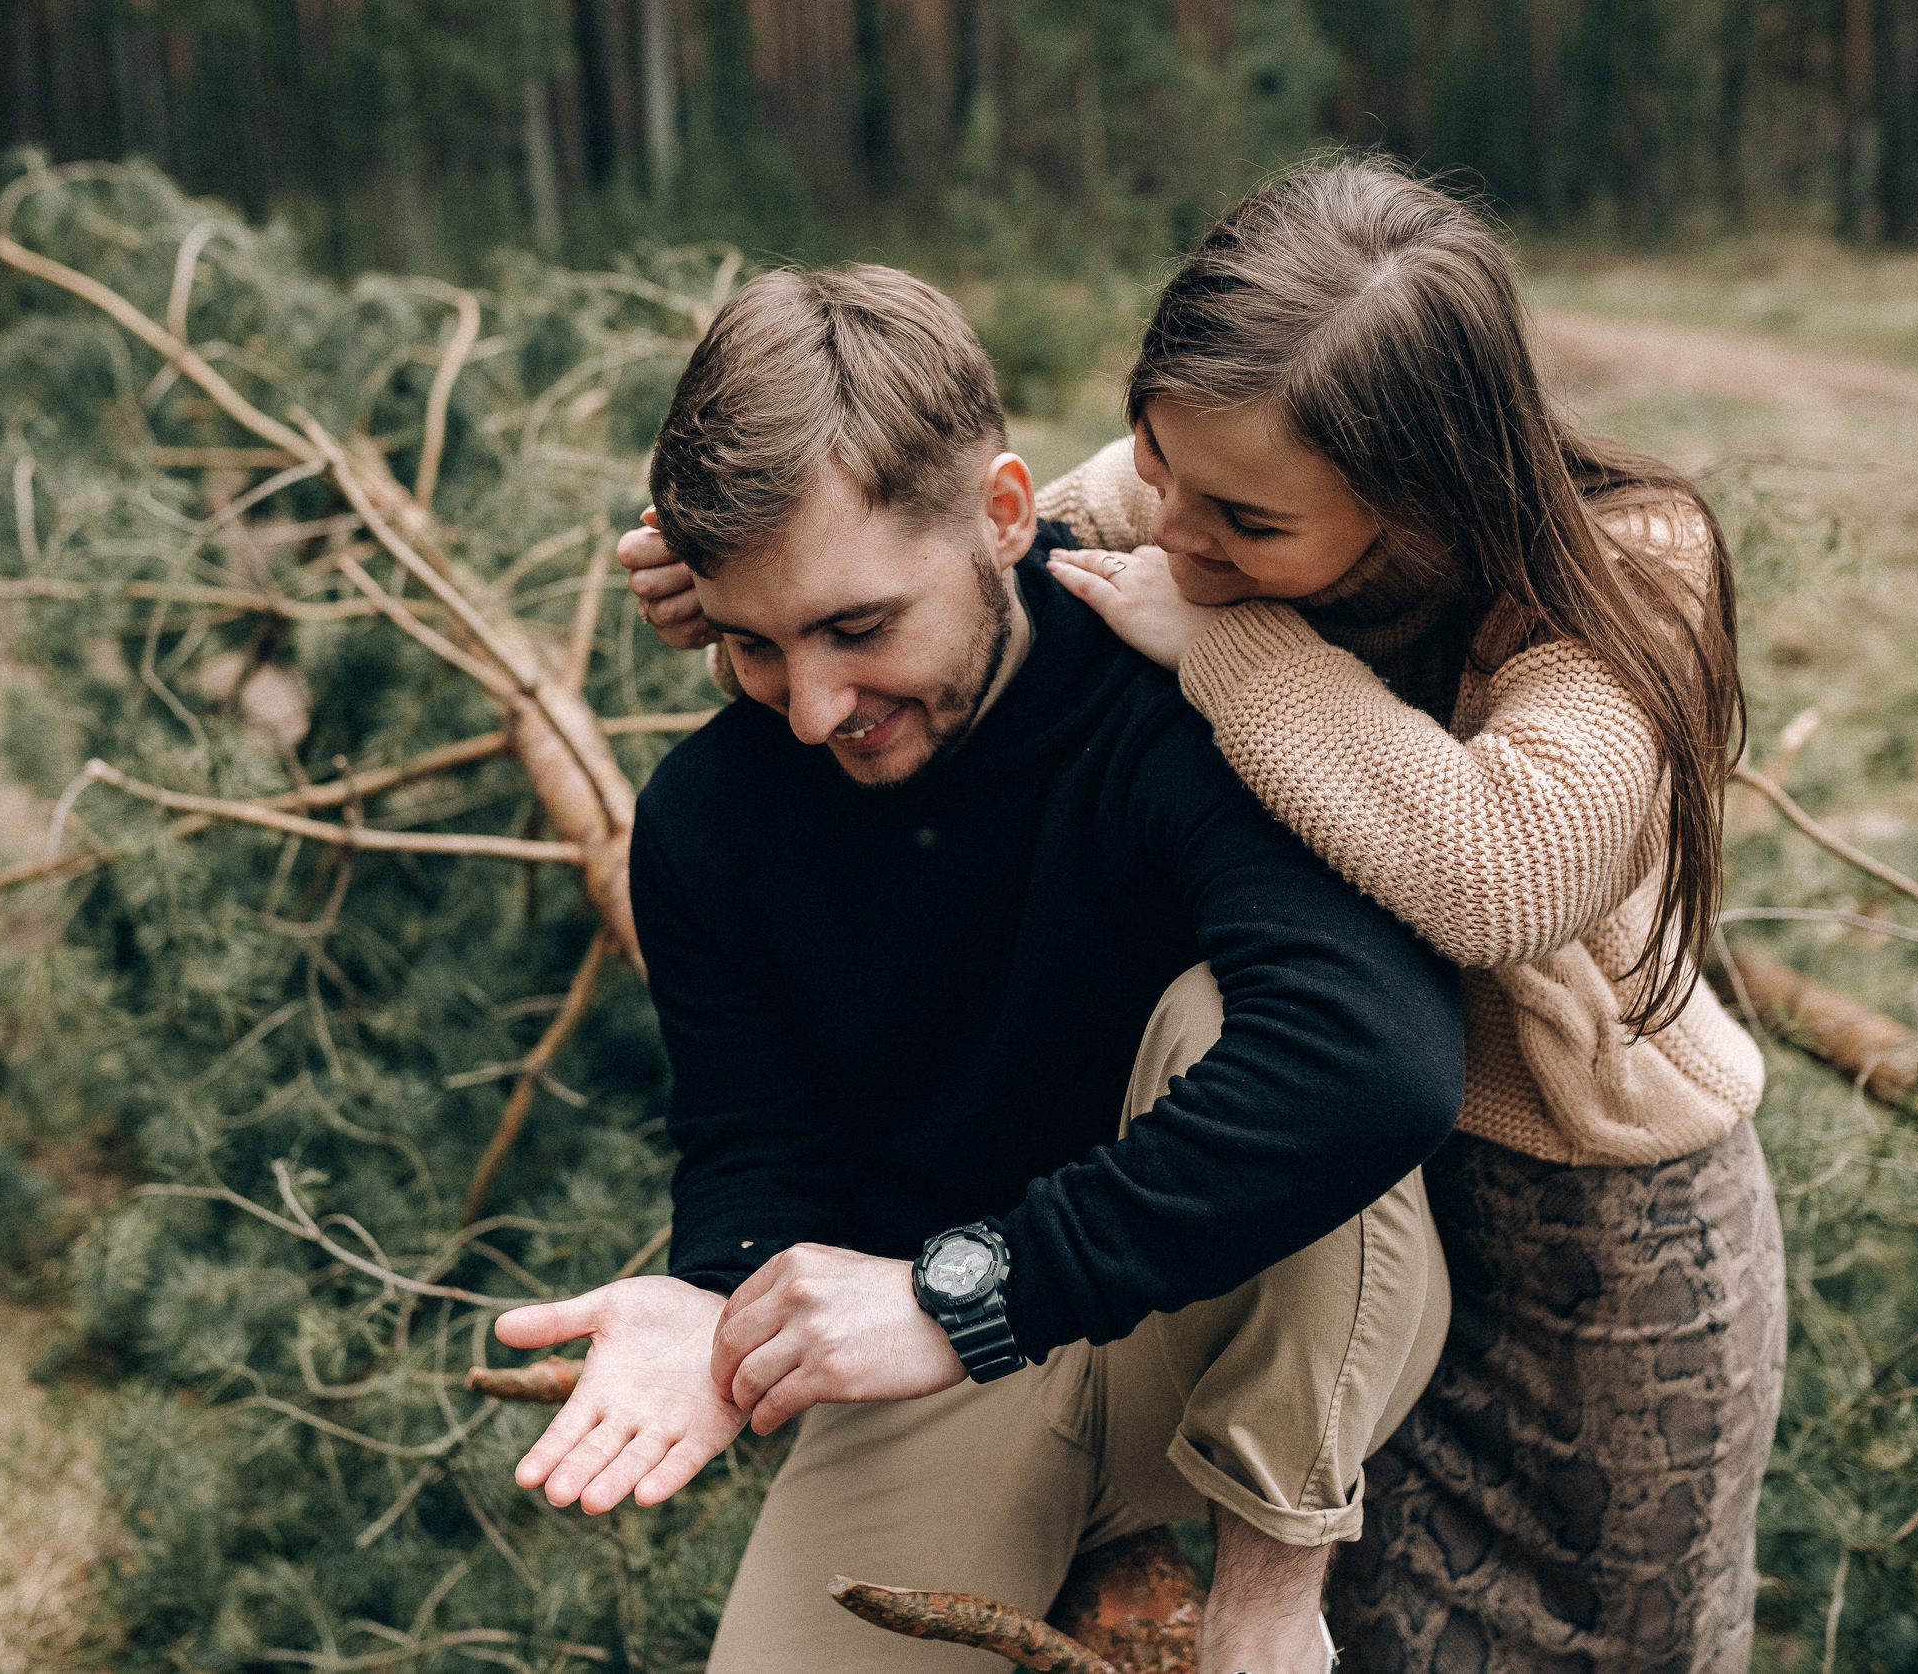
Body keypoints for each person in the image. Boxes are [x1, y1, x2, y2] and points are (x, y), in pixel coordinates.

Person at [619, 162, 1786, 1673]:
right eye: (1160, 468)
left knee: (1604, 1645)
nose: (1172, 534)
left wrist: (1227, 657)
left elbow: (1505, 877)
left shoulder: (1630, 576)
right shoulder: (1206, 494)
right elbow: (991, 556)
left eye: (1237, 518)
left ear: (1423, 489)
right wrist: (745, 599)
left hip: (1585, 1220)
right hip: (1302, 1199)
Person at [495, 262, 1469, 1673]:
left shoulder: (1184, 702)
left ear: (1005, 516)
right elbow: (755, 1143)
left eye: (858, 626)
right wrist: (716, 1299)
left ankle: (1273, 1620)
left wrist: (980, 1286)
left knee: (1236, 1024)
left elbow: (1377, 1063)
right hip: (945, 1361)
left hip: (1221, 1318)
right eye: (756, 646)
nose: (815, 708)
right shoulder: (708, 819)